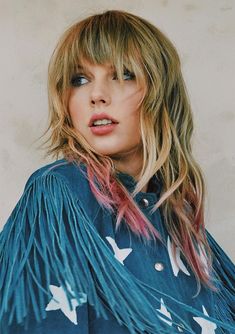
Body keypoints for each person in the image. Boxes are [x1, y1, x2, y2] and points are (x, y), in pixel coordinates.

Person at [0, 10, 234, 334]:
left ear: (160, 93)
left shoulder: (180, 217)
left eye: (123, 74)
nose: (97, 95)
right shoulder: (59, 194)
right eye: (79, 80)